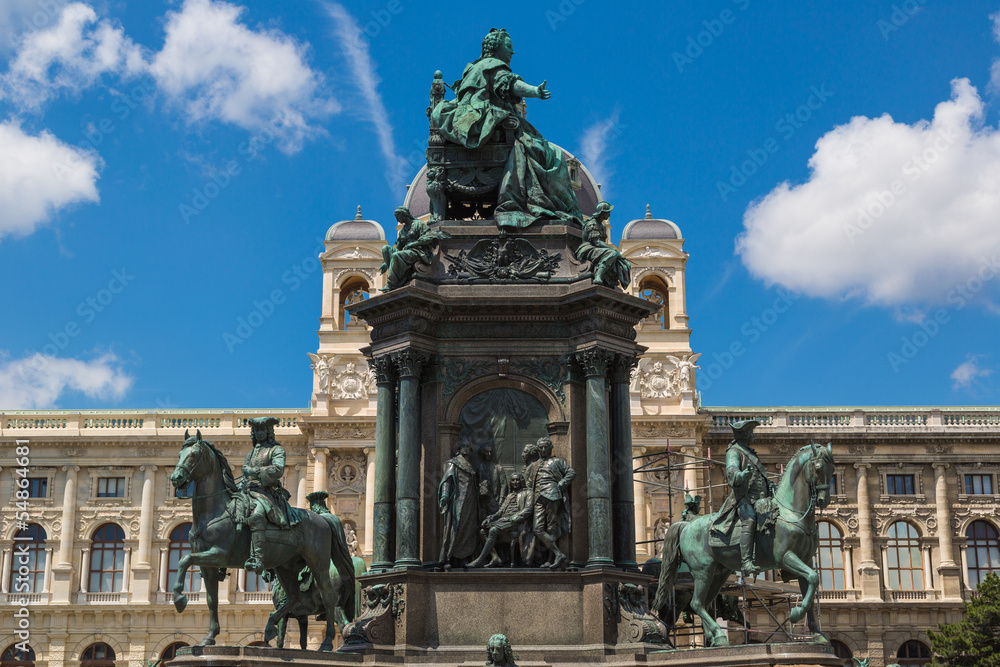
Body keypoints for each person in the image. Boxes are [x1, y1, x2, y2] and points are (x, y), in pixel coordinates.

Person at [431, 28, 582, 232]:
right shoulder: (493, 66)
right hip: (496, 131)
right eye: (509, 47)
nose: (512, 52)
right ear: (496, 49)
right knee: (551, 155)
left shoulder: (473, 69)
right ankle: (551, 207)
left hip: (477, 124)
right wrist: (535, 91)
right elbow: (510, 85)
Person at [710, 420, 774, 576]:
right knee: (750, 520)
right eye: (751, 432)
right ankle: (746, 562)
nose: (753, 435)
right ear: (744, 435)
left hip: (760, 500)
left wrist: (770, 484)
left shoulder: (750, 452)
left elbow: (759, 477)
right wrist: (741, 475)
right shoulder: (734, 451)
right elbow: (732, 471)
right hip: (743, 499)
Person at [240, 416, 299, 572]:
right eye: (257, 430)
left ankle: (258, 558)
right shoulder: (251, 453)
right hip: (247, 492)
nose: (259, 433)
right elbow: (245, 476)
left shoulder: (276, 450)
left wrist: (254, 471)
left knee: (256, 515)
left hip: (265, 493)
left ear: (268, 432)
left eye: (262, 430)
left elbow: (278, 470)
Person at [526, 436, 575, 569]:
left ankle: (550, 559)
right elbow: (529, 482)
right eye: (540, 448)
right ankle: (558, 554)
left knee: (552, 528)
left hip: (552, 496)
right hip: (538, 498)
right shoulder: (535, 464)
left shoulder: (557, 461)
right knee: (538, 529)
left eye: (545, 447)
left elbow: (571, 473)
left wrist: (560, 485)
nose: (542, 450)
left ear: (550, 448)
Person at [469, 473, 533, 568]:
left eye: (517, 480)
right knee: (482, 531)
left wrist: (513, 518)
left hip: (517, 522)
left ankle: (479, 560)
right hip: (504, 521)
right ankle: (495, 557)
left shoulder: (528, 493)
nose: (515, 482)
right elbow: (501, 511)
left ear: (521, 481)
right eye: (513, 480)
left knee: (493, 530)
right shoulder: (509, 496)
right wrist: (491, 518)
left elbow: (528, 509)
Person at [379, 206, 448, 291]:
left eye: (398, 217)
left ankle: (391, 284)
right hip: (407, 252)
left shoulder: (418, 224)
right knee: (386, 248)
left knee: (397, 255)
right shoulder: (402, 231)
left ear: (404, 215)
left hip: (418, 251)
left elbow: (429, 237)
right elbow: (398, 248)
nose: (397, 220)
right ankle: (396, 278)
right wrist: (386, 262)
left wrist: (414, 243)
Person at [438, 442, 480, 569]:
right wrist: (445, 495)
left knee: (469, 529)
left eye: (468, 447)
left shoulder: (471, 466)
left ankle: (464, 557)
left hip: (471, 502)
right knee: (455, 528)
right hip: (458, 501)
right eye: (463, 447)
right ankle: (449, 557)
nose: (466, 449)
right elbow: (447, 480)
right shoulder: (453, 463)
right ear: (459, 449)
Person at [575, 201, 630, 290]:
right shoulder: (592, 223)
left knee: (625, 263)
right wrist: (614, 250)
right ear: (602, 213)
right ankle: (598, 275)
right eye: (608, 212)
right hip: (587, 249)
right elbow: (596, 242)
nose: (609, 214)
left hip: (597, 249)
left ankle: (612, 279)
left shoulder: (602, 226)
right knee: (612, 253)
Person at [477, 443, 509, 518]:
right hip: (483, 501)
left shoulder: (499, 468)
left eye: (490, 452)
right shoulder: (479, 468)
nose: (489, 454)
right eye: (486, 452)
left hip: (495, 501)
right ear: (483, 453)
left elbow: (504, 485)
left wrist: (501, 500)